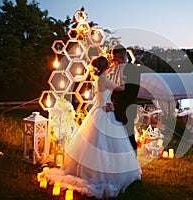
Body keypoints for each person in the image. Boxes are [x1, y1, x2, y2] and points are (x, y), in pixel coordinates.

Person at [43, 56, 141, 199]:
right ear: (104, 67)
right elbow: (121, 88)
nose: (110, 66)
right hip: (104, 112)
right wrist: (121, 78)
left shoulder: (99, 79)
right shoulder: (104, 79)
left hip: (99, 110)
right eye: (108, 65)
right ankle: (105, 173)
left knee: (95, 143)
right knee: (105, 144)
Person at [107, 44, 141, 154]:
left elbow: (131, 91)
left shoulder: (131, 69)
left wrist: (118, 104)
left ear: (124, 55)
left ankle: (133, 162)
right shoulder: (117, 69)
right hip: (117, 106)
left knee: (129, 135)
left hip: (127, 107)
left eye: (118, 58)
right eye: (115, 58)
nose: (116, 61)